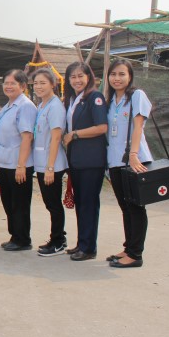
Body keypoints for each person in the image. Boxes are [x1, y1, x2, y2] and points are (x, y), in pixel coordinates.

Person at [104, 58, 153, 268]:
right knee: (125, 207)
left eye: (122, 74)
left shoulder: (136, 96)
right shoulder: (110, 101)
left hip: (135, 160)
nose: (117, 78)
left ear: (130, 76)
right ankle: (128, 247)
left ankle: (135, 255)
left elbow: (138, 127)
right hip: (115, 161)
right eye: (113, 74)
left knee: (136, 207)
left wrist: (133, 154)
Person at [62, 61, 108, 262]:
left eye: (81, 76)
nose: (77, 80)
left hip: (91, 160)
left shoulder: (94, 97)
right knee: (81, 203)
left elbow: (102, 127)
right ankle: (82, 243)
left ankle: (88, 247)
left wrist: (75, 134)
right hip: (76, 160)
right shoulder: (73, 99)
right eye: (73, 77)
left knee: (88, 204)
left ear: (89, 77)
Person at [0, 70, 37, 252]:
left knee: (19, 204)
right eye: (6, 83)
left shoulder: (25, 106)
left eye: (13, 83)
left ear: (23, 86)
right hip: (5, 163)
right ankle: (15, 236)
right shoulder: (7, 106)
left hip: (18, 164)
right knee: (8, 202)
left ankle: (23, 239)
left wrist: (21, 165)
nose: (8, 86)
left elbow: (27, 137)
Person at [31, 68, 68, 257]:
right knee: (49, 203)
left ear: (53, 84)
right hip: (42, 163)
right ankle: (56, 237)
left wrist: (50, 167)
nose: (38, 86)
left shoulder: (55, 107)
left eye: (43, 83)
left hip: (51, 164)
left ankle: (58, 241)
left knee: (53, 204)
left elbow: (56, 138)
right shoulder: (41, 106)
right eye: (36, 83)